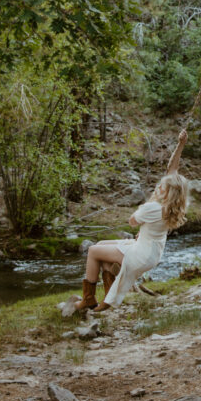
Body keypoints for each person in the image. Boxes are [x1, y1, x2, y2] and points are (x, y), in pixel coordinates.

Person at [74, 129, 190, 313]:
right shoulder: (170, 208)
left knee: (93, 250)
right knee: (103, 246)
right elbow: (172, 170)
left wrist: (147, 204)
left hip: (141, 254)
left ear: (167, 192)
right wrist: (180, 145)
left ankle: (88, 298)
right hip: (151, 252)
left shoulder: (154, 208)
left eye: (162, 186)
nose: (159, 185)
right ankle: (106, 297)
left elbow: (132, 221)